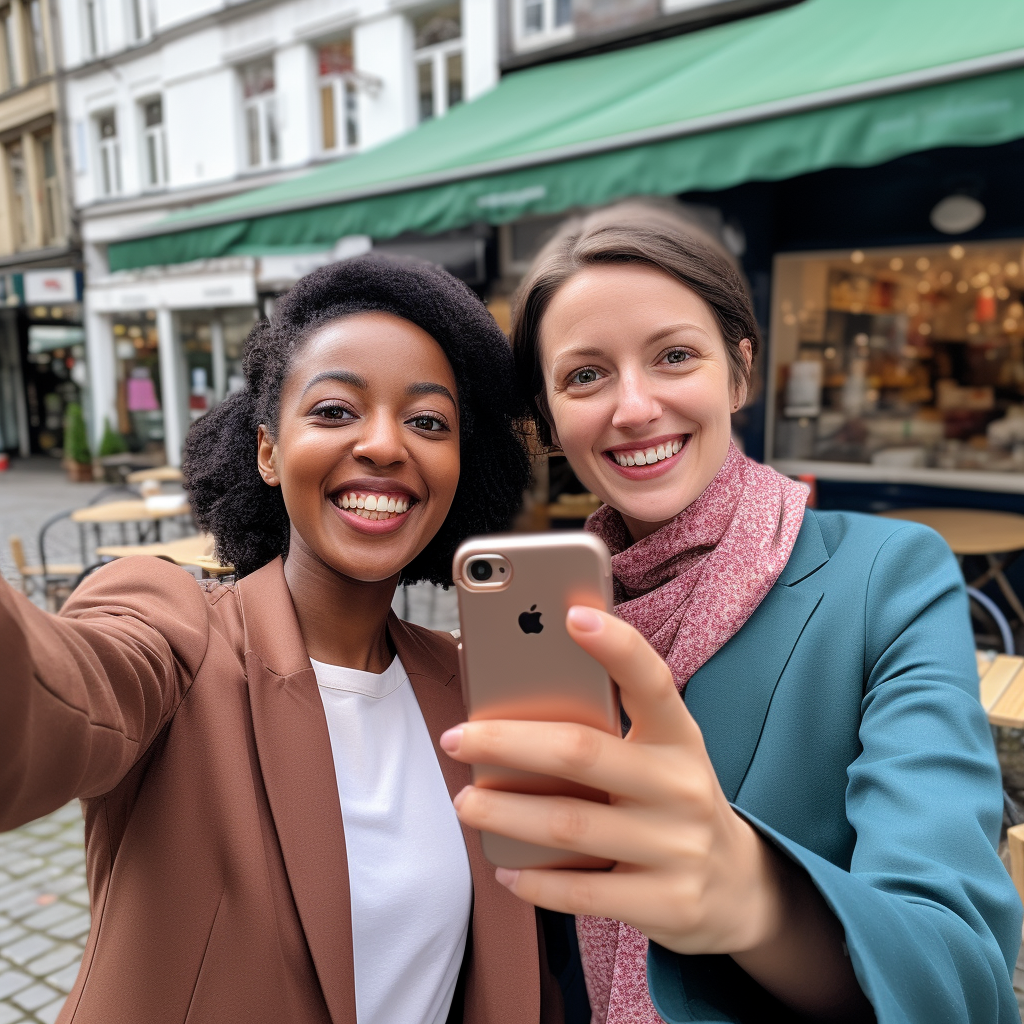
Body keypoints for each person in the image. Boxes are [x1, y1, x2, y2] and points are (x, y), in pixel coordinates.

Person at [440, 203, 1023, 1024]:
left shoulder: (886, 578)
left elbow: (960, 978)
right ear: (549, 421)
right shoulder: (544, 621)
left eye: (675, 355)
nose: (634, 406)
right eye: (585, 375)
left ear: (738, 371)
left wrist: (754, 898)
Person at [0, 255, 564, 1024]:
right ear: (268, 450)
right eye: (335, 410)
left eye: (429, 421)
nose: (385, 445)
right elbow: (54, 703)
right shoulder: (175, 628)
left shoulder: (475, 684)